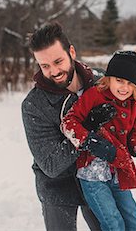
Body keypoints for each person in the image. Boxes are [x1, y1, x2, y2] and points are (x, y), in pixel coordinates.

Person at [21, 21, 115, 230]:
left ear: (71, 52)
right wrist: (86, 130)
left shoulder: (100, 82)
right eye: (44, 66)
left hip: (98, 178)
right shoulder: (34, 105)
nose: (53, 71)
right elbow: (51, 165)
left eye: (58, 61)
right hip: (58, 187)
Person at [61, 50, 136, 231]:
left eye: (130, 83)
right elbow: (68, 123)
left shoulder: (135, 103)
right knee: (113, 223)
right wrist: (89, 141)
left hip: (119, 169)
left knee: (133, 222)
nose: (124, 87)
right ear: (109, 78)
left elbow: (134, 134)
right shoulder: (94, 95)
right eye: (119, 80)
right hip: (93, 173)